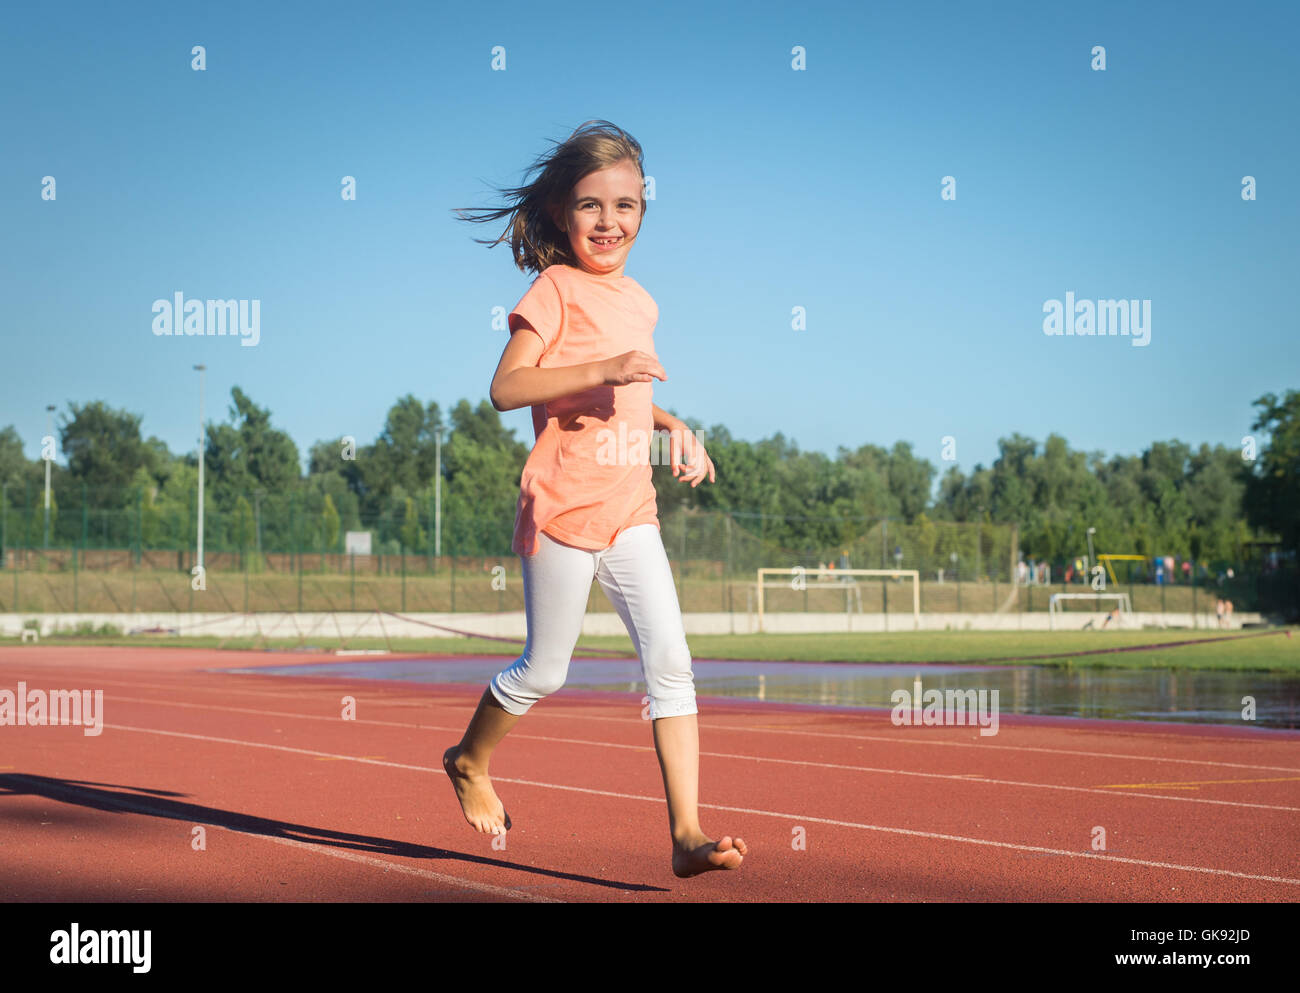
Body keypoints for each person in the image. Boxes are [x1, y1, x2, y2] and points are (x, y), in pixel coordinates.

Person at [443, 121, 745, 877]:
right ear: (559, 213)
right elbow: (505, 388)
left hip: (630, 510)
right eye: (590, 206)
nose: (609, 221)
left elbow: (631, 397)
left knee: (672, 663)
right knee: (545, 671)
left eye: (627, 205)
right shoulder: (552, 290)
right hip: (564, 512)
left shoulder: (641, 301)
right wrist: (601, 368)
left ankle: (685, 836)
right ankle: (467, 759)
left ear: (645, 211)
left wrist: (679, 428)